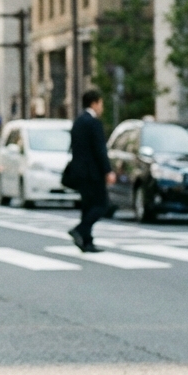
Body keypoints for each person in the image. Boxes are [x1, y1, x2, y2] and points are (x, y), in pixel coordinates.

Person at [67, 89, 114, 253]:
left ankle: (87, 241)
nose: (102, 108)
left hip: (78, 171)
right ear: (94, 103)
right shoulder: (94, 123)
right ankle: (81, 230)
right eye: (101, 104)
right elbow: (100, 149)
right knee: (102, 204)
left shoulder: (78, 121)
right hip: (93, 172)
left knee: (87, 206)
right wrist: (108, 170)